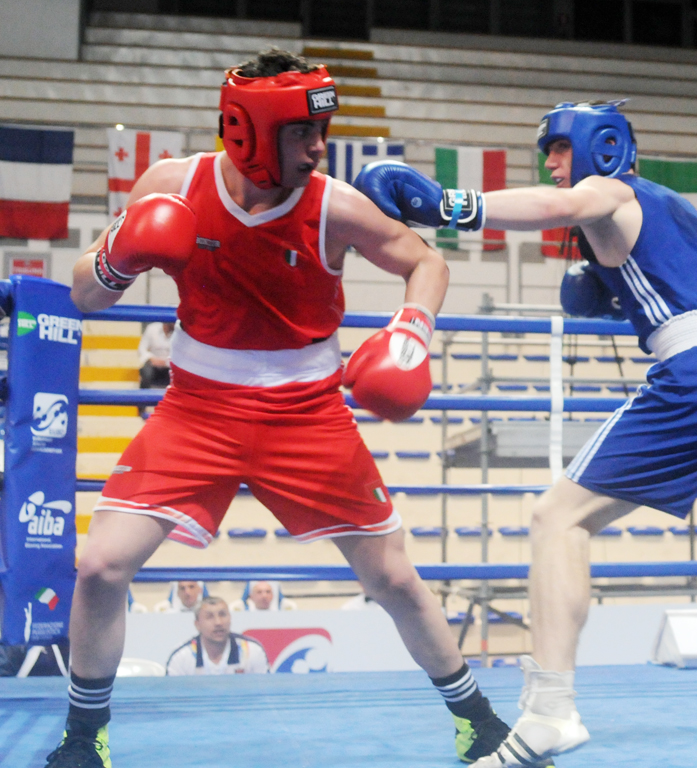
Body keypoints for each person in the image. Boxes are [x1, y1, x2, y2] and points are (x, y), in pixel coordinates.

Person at [46, 48, 527, 768]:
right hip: (197, 409)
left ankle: (478, 723)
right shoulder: (172, 186)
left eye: (319, 132)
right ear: (251, 132)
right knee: (100, 567)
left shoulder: (334, 204)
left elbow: (426, 261)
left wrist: (411, 333)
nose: (319, 148)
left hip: (308, 412)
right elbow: (84, 294)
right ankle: (83, 739)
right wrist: (122, 250)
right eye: (303, 133)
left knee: (393, 577)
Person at [355, 100, 697, 764]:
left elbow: (556, 207)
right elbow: (666, 275)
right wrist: (607, 280)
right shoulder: (672, 207)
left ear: (600, 146)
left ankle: (550, 711)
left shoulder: (609, 190)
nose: (550, 161)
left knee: (555, 519)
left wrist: (452, 206)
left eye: (560, 149)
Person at [166, 597, 269, 675]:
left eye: (223, 615)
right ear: (197, 624)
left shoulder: (252, 650)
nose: (218, 622)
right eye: (209, 617)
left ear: (230, 618)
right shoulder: (181, 657)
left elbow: (266, 693)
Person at [138, 321, 174, 389]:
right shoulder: (152, 328)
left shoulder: (179, 332)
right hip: (152, 364)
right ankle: (143, 398)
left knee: (179, 374)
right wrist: (151, 359)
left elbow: (181, 354)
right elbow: (141, 349)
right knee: (146, 372)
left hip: (169, 366)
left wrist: (166, 362)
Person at [230, 580, 297, 611]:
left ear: (273, 595)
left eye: (268, 592)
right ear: (251, 597)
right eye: (259, 592)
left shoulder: (283, 616)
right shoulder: (243, 615)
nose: (264, 596)